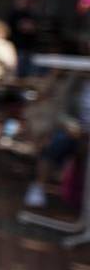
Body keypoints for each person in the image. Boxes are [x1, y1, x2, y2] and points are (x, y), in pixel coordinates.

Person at [24, 73, 89, 208]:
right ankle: (39, 187)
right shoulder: (75, 81)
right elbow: (61, 110)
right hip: (73, 130)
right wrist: (71, 126)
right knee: (56, 143)